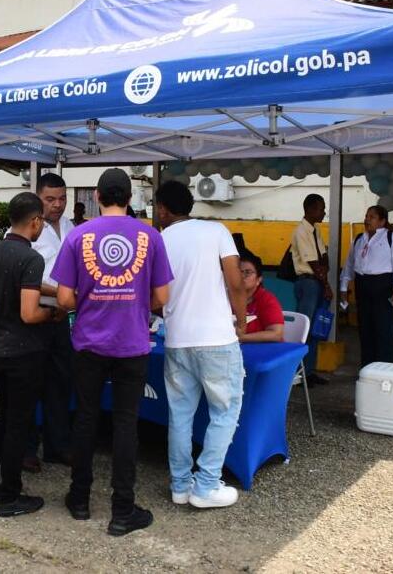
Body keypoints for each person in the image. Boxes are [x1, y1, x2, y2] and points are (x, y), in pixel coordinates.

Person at [53, 168, 173, 537]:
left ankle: (79, 499)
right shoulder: (150, 236)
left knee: (87, 417)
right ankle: (123, 509)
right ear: (130, 198)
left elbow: (63, 297)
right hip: (132, 343)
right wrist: (137, 306)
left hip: (88, 342)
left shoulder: (78, 235)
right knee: (125, 422)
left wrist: (89, 304)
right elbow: (162, 297)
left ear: (98, 197)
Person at [155, 180, 248, 510]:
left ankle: (180, 486)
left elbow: (155, 295)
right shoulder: (216, 231)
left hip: (177, 339)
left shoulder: (160, 240)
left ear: (164, 209)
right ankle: (206, 484)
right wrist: (241, 318)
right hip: (216, 338)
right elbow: (235, 282)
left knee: (180, 416)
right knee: (225, 411)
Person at [0, 192, 58, 517]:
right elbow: (28, 313)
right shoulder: (32, 259)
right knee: (17, 425)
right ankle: (10, 496)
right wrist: (53, 315)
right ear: (35, 221)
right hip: (23, 353)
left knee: (3, 417)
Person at [23, 172, 76, 473]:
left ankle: (57, 445)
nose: (57, 205)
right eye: (50, 199)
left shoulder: (71, 227)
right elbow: (24, 276)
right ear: (38, 197)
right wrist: (59, 291)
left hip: (63, 316)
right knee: (30, 383)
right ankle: (28, 448)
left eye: (62, 198)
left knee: (60, 381)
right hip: (36, 312)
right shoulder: (26, 229)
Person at [340, 205, 393, 368]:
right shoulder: (359, 239)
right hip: (362, 285)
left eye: (372, 217)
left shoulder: (392, 238)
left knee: (383, 330)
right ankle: (367, 369)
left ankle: (385, 370)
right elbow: (349, 265)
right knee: (365, 329)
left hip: (383, 286)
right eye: (366, 216)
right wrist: (344, 287)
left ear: (382, 221)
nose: (367, 220)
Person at [290, 194, 332, 386]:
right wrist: (326, 285)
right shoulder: (301, 231)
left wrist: (324, 278)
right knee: (304, 328)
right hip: (308, 282)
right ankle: (296, 372)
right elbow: (314, 263)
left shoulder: (316, 230)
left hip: (318, 280)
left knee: (315, 329)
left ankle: (310, 371)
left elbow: (325, 258)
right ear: (309, 209)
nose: (324, 212)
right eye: (320, 208)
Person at [238, 253, 285, 343]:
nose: (242, 276)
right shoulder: (227, 297)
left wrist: (240, 338)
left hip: (265, 350)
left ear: (259, 279)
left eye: (247, 272)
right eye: (239, 272)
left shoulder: (267, 299)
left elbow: (276, 334)